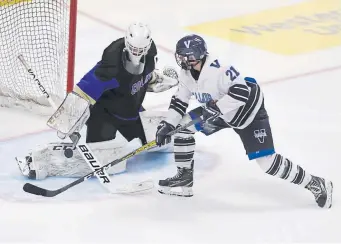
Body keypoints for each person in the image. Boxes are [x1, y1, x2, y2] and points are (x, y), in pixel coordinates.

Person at [155, 34, 333, 208]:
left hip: (248, 112)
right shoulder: (187, 74)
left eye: (187, 56)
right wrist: (168, 124)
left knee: (267, 163)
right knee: (182, 129)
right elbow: (180, 100)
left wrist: (216, 109)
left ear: (198, 55)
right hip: (220, 110)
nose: (183, 60)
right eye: (181, 56)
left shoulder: (219, 68)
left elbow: (242, 92)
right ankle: (184, 179)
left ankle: (316, 183)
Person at [16, 22, 178, 180]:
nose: (137, 53)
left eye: (141, 49)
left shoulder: (150, 56)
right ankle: (41, 161)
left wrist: (162, 80)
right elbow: (83, 91)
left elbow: (144, 79)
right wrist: (67, 121)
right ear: (127, 44)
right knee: (111, 164)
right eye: (134, 49)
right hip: (104, 117)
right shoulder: (111, 67)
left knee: (164, 137)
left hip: (130, 114)